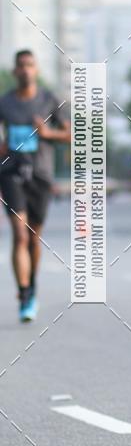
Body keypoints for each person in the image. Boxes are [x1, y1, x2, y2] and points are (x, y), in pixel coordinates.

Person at [0, 50, 71, 321]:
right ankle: (25, 293)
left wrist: (48, 133)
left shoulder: (49, 99)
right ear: (15, 71)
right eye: (21, 66)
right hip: (10, 172)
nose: (26, 70)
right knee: (19, 234)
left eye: (30, 65)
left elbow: (70, 134)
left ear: (36, 70)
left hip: (40, 175)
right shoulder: (4, 103)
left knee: (33, 238)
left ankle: (32, 286)